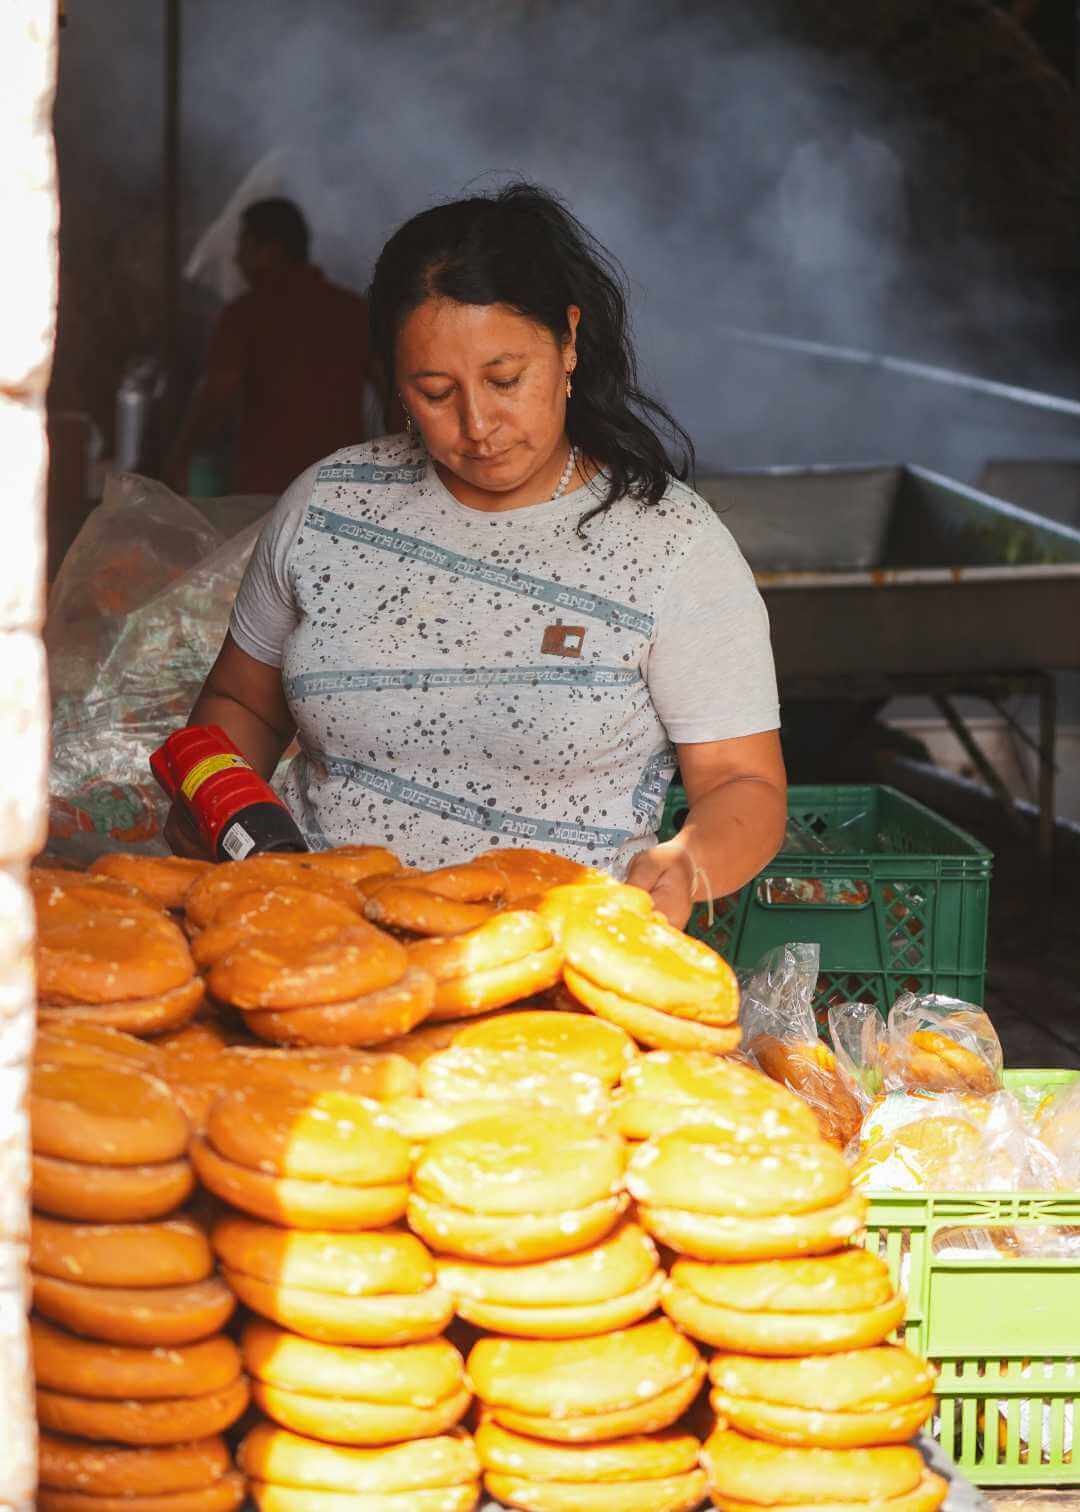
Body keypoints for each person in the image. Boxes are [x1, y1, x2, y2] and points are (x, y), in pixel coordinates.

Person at [167, 183, 786, 928]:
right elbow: (241, 704)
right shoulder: (327, 508)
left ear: (568, 342)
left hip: (556, 969)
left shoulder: (669, 543)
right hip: (323, 946)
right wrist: (213, 796)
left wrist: (688, 861)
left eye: (504, 380)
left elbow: (742, 781)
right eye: (434, 392)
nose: (477, 424)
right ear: (393, 383)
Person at [167, 198, 372, 496]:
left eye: (244, 246)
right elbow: (394, 394)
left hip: (267, 494)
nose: (237, 259)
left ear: (271, 251)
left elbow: (216, 394)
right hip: (343, 491)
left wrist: (179, 457)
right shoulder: (352, 312)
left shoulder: (247, 315)